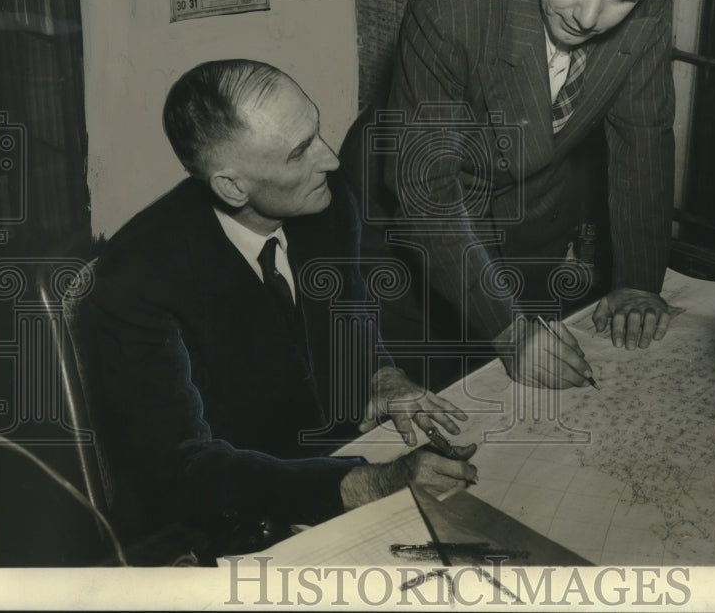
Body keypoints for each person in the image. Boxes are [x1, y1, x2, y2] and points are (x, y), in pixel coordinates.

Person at [79, 59, 475, 557]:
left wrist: (379, 376)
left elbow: (348, 312)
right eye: (299, 153)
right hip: (219, 525)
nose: (330, 159)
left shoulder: (324, 202)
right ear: (232, 187)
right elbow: (182, 471)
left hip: (326, 460)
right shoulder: (137, 278)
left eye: (317, 133)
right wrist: (366, 485)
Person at [345, 0, 694, 392]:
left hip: (527, 220)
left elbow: (643, 139)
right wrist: (507, 330)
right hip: (415, 236)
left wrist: (637, 282)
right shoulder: (453, 6)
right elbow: (424, 191)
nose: (590, 15)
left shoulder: (645, 2)